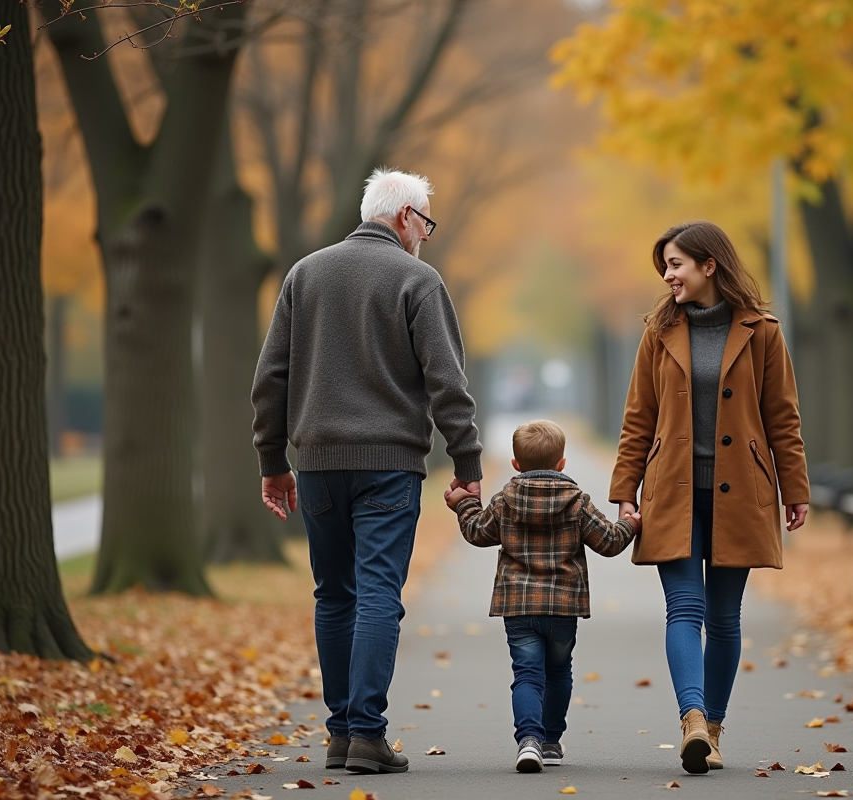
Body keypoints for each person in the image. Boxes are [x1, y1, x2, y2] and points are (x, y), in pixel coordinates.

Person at [251, 167, 483, 775]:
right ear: (405, 216)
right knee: (378, 592)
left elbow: (270, 378)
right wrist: (467, 462)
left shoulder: (305, 274)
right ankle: (366, 734)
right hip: (389, 466)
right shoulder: (417, 279)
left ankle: (339, 733)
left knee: (333, 595)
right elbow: (447, 381)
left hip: (318, 465)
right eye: (426, 223)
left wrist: (273, 461)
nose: (425, 236)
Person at [609, 221, 809, 774]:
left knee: (723, 617)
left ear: (709, 265)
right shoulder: (658, 331)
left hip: (740, 493)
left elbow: (783, 418)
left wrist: (795, 488)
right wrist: (625, 491)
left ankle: (713, 729)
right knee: (684, 607)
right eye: (665, 267)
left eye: (675, 264)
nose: (667, 276)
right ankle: (693, 719)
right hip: (671, 492)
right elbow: (638, 417)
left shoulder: (762, 332)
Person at [444, 420, 640, 773]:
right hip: (563, 607)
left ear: (515, 463)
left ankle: (528, 741)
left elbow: (477, 531)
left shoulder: (504, 500)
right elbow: (609, 542)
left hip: (518, 606)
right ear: (562, 463)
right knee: (559, 671)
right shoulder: (578, 502)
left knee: (527, 674)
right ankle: (550, 741)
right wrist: (632, 524)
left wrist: (464, 504)